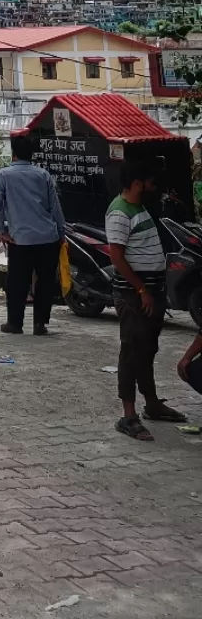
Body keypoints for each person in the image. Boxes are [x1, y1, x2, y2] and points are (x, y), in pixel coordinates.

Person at [106, 158, 188, 441]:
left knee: (148, 349)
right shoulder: (120, 212)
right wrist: (141, 289)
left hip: (150, 292)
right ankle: (128, 416)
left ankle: (152, 404)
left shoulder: (139, 207)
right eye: (151, 182)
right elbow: (116, 257)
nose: (155, 187)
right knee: (132, 351)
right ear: (138, 183)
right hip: (134, 294)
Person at [0, 134, 64, 336]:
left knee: (17, 281)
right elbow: (55, 207)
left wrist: (1, 231)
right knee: (45, 281)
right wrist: (61, 232)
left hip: (20, 238)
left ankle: (15, 323)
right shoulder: (43, 175)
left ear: (13, 153)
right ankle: (40, 324)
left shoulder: (4, 175)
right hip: (47, 237)